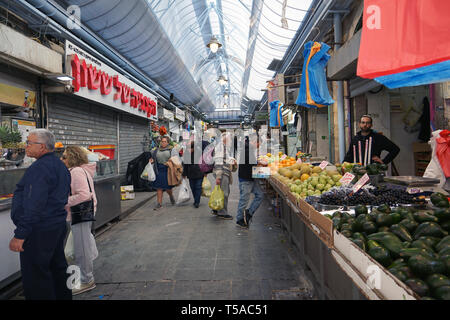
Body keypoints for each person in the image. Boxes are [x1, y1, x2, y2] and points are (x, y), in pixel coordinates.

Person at [9, 129, 72, 300]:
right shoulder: (60, 165)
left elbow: (34, 204)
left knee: (36, 277)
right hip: (56, 226)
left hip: (39, 230)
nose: (26, 146)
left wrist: (20, 234)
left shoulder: (40, 168)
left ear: (42, 147)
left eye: (29, 143)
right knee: (57, 269)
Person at [61, 146, 99, 295]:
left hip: (80, 214)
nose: (62, 159)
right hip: (82, 213)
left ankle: (87, 280)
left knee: (81, 249)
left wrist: (64, 201)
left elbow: (84, 195)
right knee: (84, 246)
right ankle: (85, 276)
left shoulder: (76, 171)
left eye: (64, 157)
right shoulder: (80, 170)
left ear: (73, 157)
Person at [236, 135, 265, 229]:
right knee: (244, 200)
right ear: (254, 142)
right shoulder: (247, 149)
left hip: (251, 178)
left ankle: (249, 213)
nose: (258, 147)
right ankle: (240, 220)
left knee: (260, 195)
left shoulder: (249, 149)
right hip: (246, 179)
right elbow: (252, 164)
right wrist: (261, 164)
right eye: (258, 145)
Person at [212, 132, 237, 220]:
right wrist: (218, 177)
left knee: (220, 192)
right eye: (230, 139)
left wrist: (231, 160)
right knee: (224, 193)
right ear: (226, 139)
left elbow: (224, 159)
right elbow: (218, 162)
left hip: (224, 172)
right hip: (222, 173)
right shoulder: (221, 147)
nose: (231, 141)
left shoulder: (224, 147)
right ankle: (222, 213)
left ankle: (216, 208)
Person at [149, 136, 176, 210]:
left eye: (165, 141)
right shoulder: (156, 150)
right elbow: (154, 159)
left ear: (168, 142)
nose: (163, 143)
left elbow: (176, 159)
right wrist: (152, 161)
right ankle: (159, 203)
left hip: (168, 170)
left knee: (167, 188)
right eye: (162, 141)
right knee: (159, 188)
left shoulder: (171, 149)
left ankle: (171, 195)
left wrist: (169, 162)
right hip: (159, 170)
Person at [182, 139, 209, 208]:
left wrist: (206, 172)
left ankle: (197, 201)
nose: (188, 149)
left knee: (198, 187)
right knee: (192, 187)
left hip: (199, 172)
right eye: (188, 148)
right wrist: (184, 174)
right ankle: (196, 199)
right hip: (190, 173)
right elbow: (185, 164)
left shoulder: (200, 152)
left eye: (190, 148)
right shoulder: (186, 153)